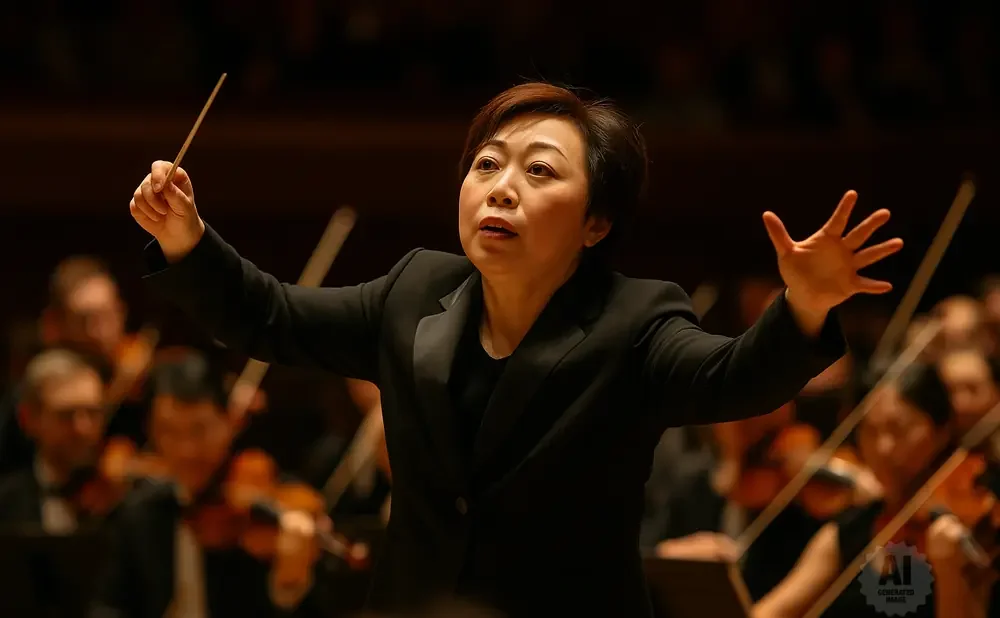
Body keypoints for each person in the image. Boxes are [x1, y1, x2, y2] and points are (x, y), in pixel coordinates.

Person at [127, 82, 902, 617]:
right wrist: (185, 236)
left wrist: (806, 302)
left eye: (539, 172)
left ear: (595, 222)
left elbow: (732, 379)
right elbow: (269, 316)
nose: (501, 187)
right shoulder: (415, 290)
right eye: (487, 164)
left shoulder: (634, 320)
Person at [90, 350, 329, 618]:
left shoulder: (270, 506)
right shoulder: (141, 513)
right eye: (169, 431)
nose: (186, 450)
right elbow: (109, 605)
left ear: (230, 422)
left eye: (199, 429)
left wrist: (289, 581)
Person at [751, 362, 993, 618]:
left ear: (941, 430)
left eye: (898, 429)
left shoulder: (971, 526)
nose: (883, 448)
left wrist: (950, 571)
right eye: (870, 430)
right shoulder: (850, 530)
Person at [0, 348, 109, 532]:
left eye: (93, 413)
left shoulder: (126, 498)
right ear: (28, 419)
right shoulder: (5, 504)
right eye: (66, 415)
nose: (82, 428)